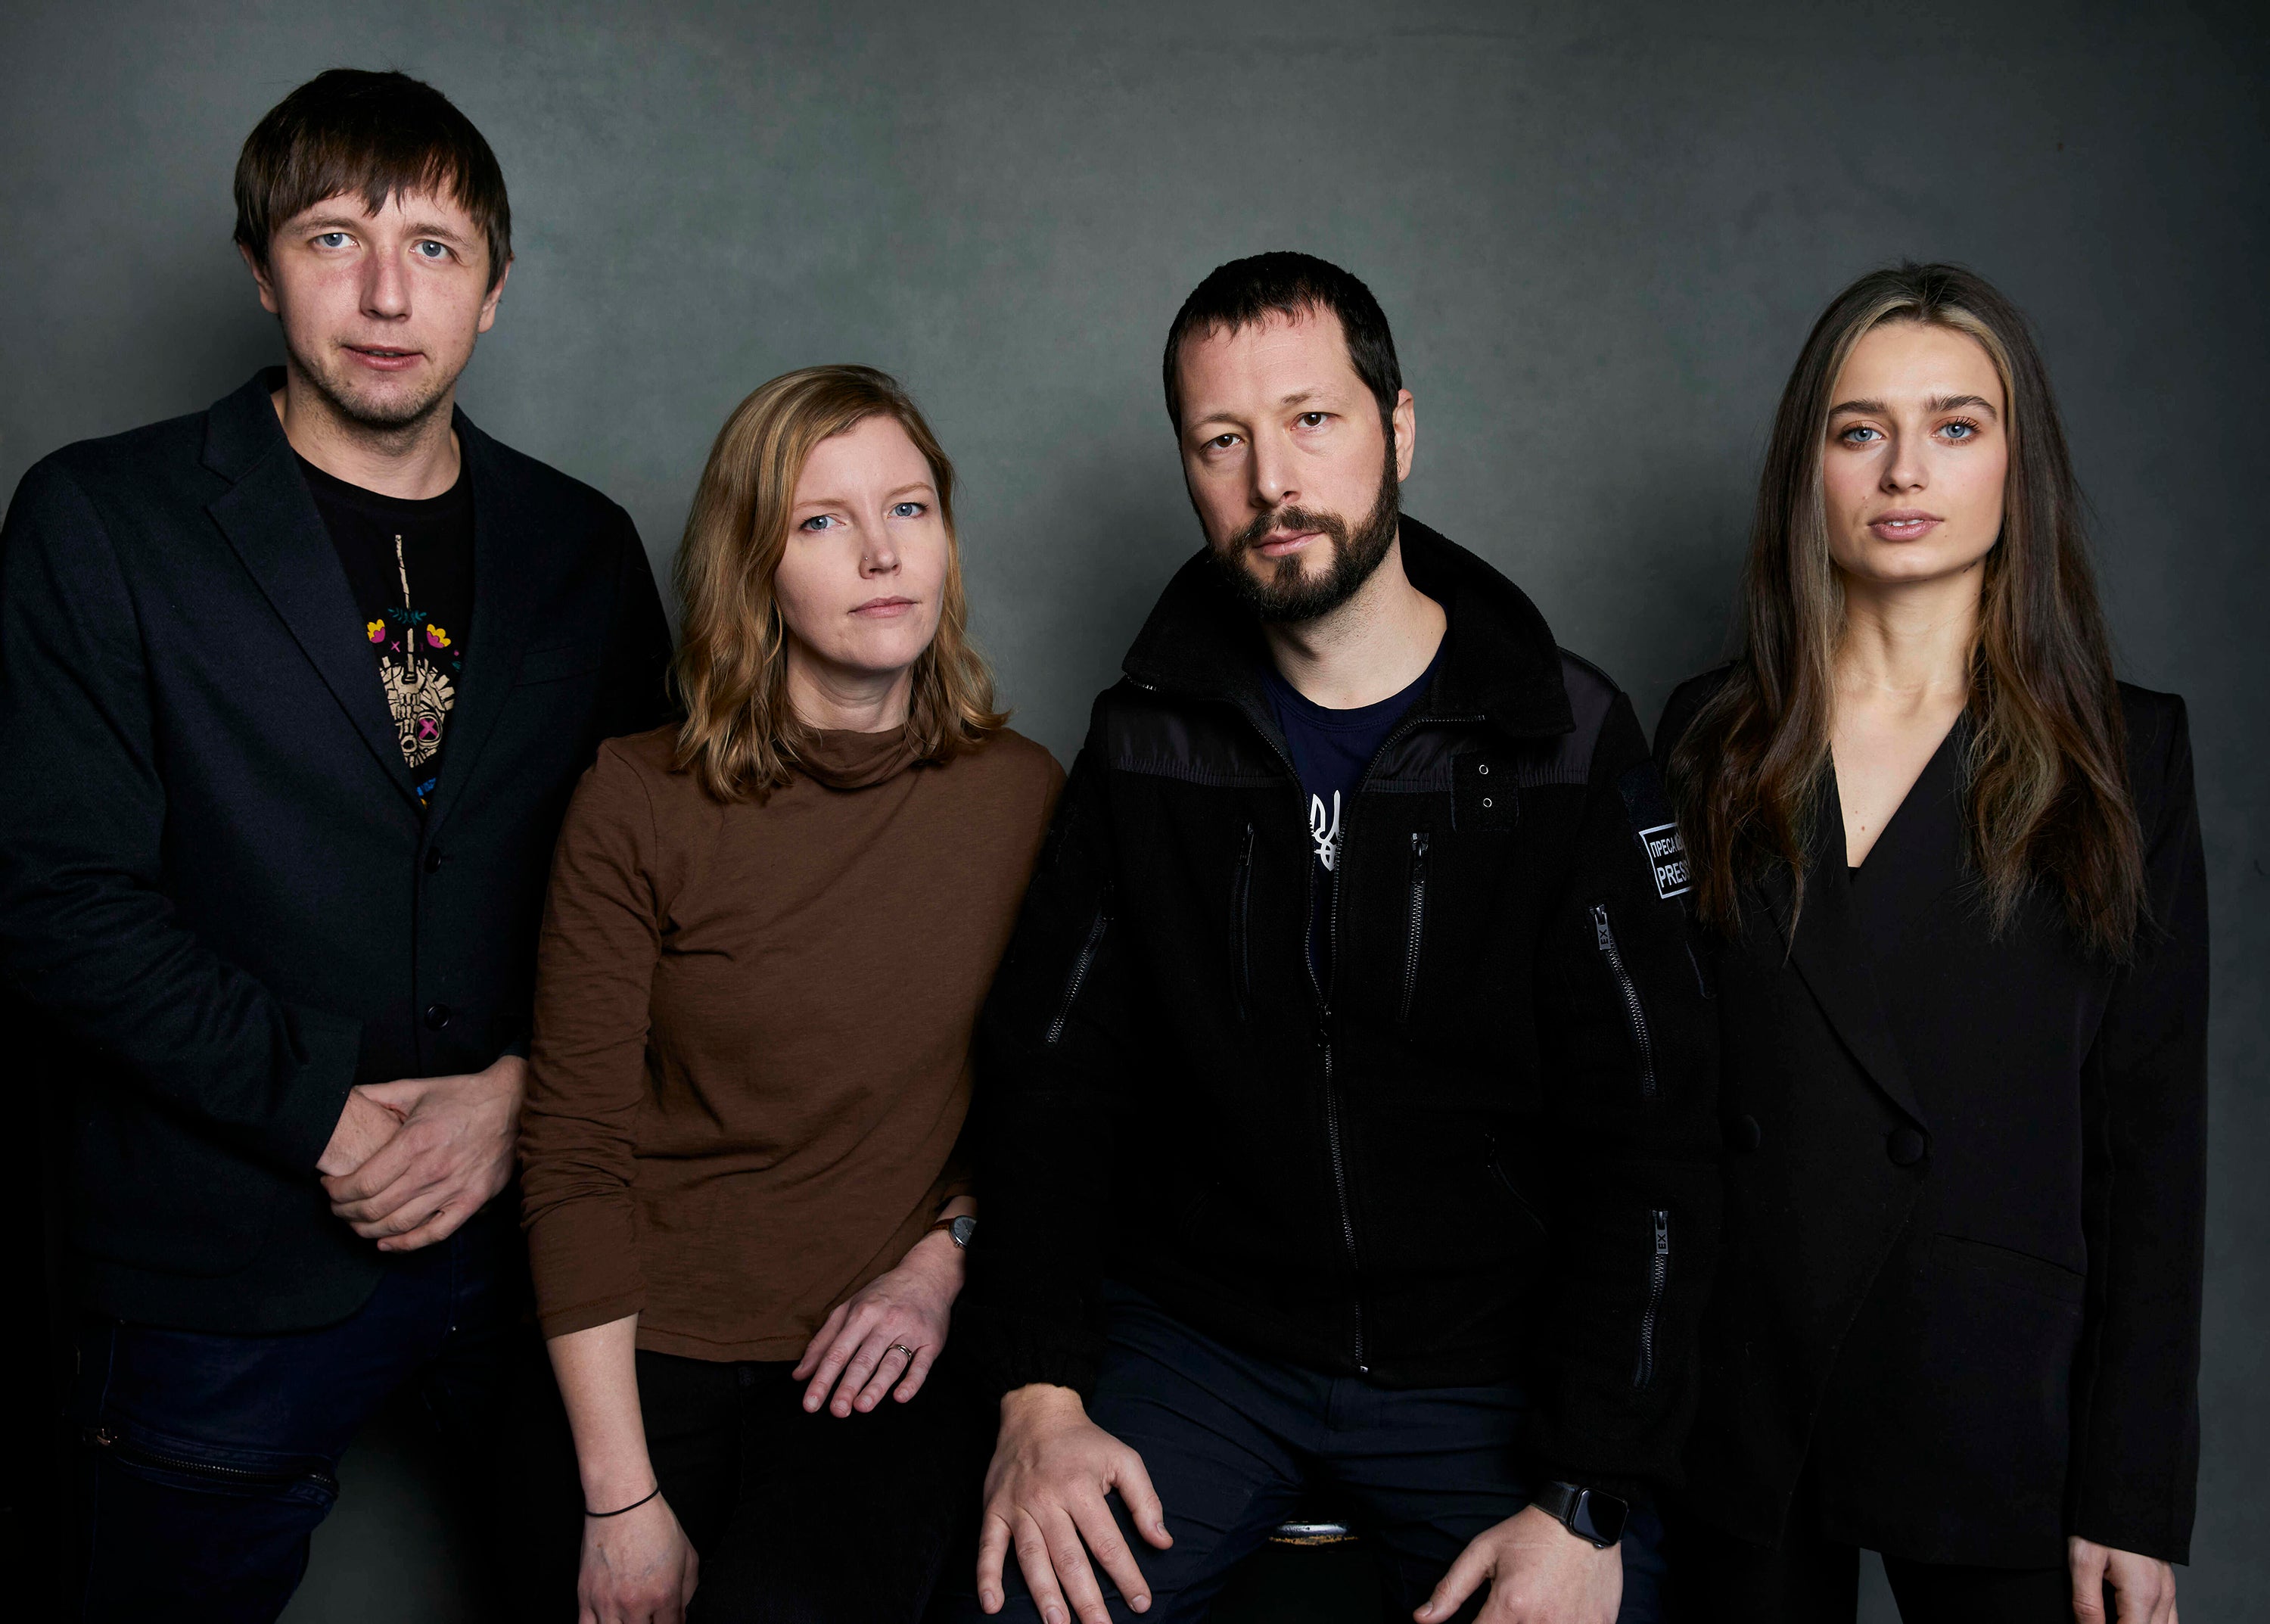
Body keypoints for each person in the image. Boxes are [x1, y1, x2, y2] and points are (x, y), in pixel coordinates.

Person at [944, 252, 1720, 1624]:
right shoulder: (1145, 744)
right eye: (1221, 440)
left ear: (1397, 428)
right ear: (1187, 467)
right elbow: (1050, 1083)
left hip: (1491, 1361)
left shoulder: (1569, 743)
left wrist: (1588, 1489)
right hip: (1203, 1344)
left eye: (1313, 421)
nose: (1272, 481)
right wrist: (1038, 1394)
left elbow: (1655, 1131)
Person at [0, 68, 673, 1622]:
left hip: (536, 1268)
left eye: (435, 246)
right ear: (259, 265)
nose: (387, 291)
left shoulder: (582, 547)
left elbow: (645, 888)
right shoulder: (101, 518)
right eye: (333, 236)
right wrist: (330, 1117)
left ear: (495, 289)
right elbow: (51, 896)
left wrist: (519, 1095)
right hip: (211, 1274)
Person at [1654, 263, 2204, 1624]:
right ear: (1811, 469)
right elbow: (1650, 1107)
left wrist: (2129, 1494)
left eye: (1957, 425)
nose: (1906, 469)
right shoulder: (1709, 737)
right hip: (1742, 1398)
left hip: (1996, 1395)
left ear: (2021, 463)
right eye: (1860, 430)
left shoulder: (2127, 754)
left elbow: (2151, 1146)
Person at [518, 365, 1062, 1623]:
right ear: (751, 563)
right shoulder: (636, 797)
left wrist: (950, 1251)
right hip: (635, 1346)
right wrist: (619, 1500)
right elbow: (575, 1149)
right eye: (821, 521)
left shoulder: (1024, 794)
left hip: (884, 1350)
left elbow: (1067, 1103)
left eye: (910, 508)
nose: (882, 552)